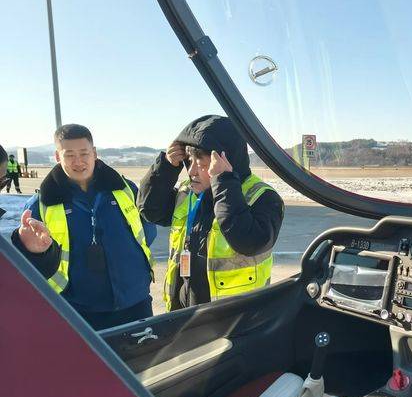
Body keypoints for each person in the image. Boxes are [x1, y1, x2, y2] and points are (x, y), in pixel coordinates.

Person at [12, 124, 156, 330]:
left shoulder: (125, 189)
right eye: (69, 155)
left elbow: (147, 233)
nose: (78, 161)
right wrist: (34, 252)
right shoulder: (42, 205)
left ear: (94, 153)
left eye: (84, 153)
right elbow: (31, 267)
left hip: (136, 301)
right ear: (57, 156)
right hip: (79, 310)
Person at [138, 115, 284, 311]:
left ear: (225, 162)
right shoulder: (188, 193)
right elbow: (150, 210)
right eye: (189, 162)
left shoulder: (262, 197)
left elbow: (249, 241)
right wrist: (166, 167)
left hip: (233, 317)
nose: (192, 172)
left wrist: (224, 182)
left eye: (202, 165)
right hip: (184, 312)